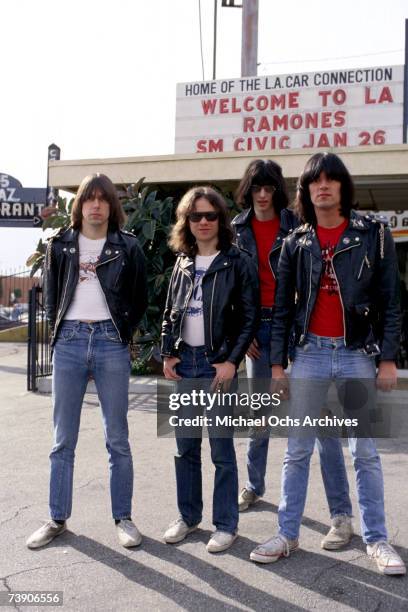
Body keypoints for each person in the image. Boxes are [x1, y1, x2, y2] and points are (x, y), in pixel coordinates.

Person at [249, 152, 406, 576]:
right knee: (297, 450)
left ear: (342, 187)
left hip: (356, 353)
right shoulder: (296, 242)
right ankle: (286, 533)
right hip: (310, 354)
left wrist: (388, 359)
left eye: (331, 180)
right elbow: (282, 307)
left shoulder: (372, 233)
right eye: (315, 180)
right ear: (305, 190)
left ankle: (376, 540)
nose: (323, 186)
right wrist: (279, 365)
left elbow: (391, 299)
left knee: (365, 452)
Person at [233, 159, 354, 551]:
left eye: (269, 187)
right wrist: (244, 330)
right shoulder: (237, 229)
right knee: (262, 413)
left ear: (278, 190)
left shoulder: (295, 226)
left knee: (320, 422)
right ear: (248, 190)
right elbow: (235, 285)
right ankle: (254, 484)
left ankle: (340, 514)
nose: (263, 194)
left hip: (297, 328)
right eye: (257, 188)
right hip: (258, 328)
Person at [26, 173, 147, 549]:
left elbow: (139, 298)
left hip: (111, 342)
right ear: (79, 205)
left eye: (103, 199)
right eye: (89, 198)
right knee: (63, 439)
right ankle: (57, 517)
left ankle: (123, 518)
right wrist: (61, 334)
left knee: (118, 439)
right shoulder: (60, 244)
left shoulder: (128, 247)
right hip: (71, 343)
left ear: (112, 206)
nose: (96, 205)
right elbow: (50, 296)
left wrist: (122, 334)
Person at [161, 186, 258, 553]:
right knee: (185, 447)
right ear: (187, 221)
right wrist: (168, 354)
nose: (203, 222)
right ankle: (188, 517)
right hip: (185, 364)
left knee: (221, 449)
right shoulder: (182, 263)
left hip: (218, 364)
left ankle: (226, 524)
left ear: (220, 219)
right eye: (195, 216)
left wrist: (232, 361)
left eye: (210, 215)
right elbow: (171, 312)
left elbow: (248, 318)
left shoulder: (237, 261)